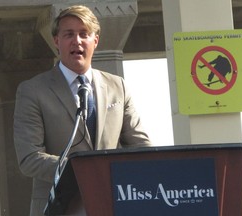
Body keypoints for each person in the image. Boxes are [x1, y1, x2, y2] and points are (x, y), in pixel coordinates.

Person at [13, 5, 151, 216]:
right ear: (56, 41)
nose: (77, 41)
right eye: (69, 34)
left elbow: (142, 147)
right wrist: (82, 170)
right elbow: (29, 159)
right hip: (60, 207)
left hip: (112, 205)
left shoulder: (118, 87)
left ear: (95, 41)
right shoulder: (33, 90)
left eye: (84, 34)